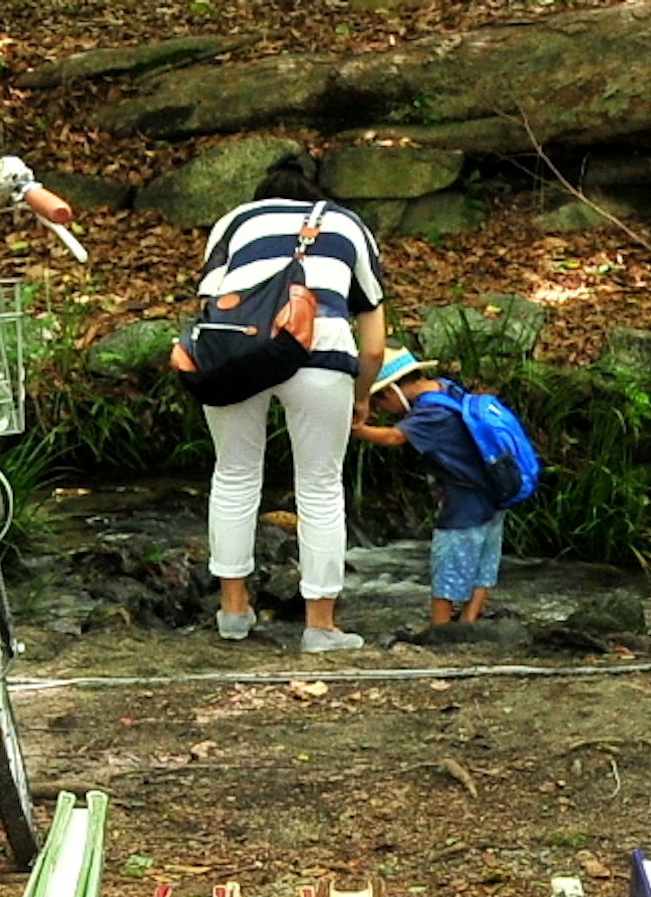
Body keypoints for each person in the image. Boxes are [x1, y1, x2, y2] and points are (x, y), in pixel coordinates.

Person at [191, 194, 387, 655]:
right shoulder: (348, 223)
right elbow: (374, 345)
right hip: (321, 349)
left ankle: (233, 611)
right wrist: (361, 396)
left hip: (237, 351)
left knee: (234, 473)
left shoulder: (236, 218)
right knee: (319, 486)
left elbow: (210, 303)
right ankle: (320, 625)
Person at [355, 351, 505, 641]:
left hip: (464, 498)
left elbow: (393, 438)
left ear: (392, 391)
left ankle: (441, 630)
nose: (382, 409)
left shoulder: (428, 414)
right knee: (484, 561)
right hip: (493, 489)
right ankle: (469, 620)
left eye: (379, 401)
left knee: (448, 561)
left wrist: (357, 430)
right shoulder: (445, 388)